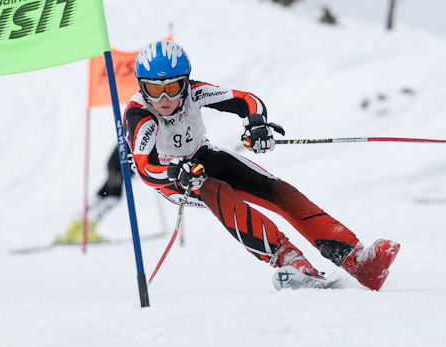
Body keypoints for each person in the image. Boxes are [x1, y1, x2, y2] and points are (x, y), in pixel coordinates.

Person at [123, 40, 400, 290]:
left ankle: (355, 258)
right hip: (171, 179)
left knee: (277, 190)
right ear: (141, 87)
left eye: (172, 89)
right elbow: (146, 168)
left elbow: (246, 100)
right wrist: (175, 172)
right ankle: (289, 260)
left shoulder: (194, 92)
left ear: (185, 82)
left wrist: (256, 125)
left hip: (202, 155)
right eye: (153, 90)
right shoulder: (140, 115)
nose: (164, 100)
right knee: (217, 191)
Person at [56, 147, 128, 243]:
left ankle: (73, 229)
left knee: (102, 195)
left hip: (115, 165)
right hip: (119, 166)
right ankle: (86, 231)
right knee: (113, 198)